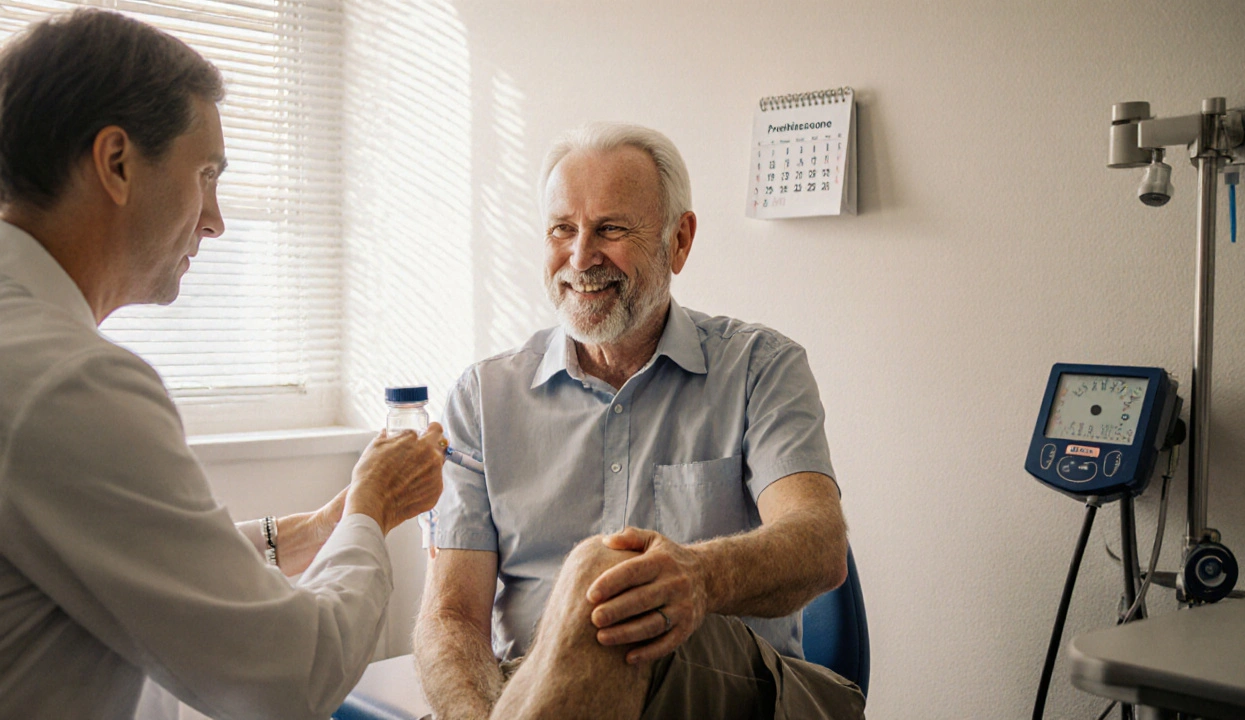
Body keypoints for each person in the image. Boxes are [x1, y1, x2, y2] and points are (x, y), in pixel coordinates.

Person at [0, 10, 446, 719]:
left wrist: (321, 527)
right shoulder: (69, 380)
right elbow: (290, 679)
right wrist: (372, 509)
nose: (215, 220)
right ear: (115, 162)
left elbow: (127, 550)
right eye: (205, 174)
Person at [413, 122, 865, 719]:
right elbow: (450, 615)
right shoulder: (481, 398)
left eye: (611, 229)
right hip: (537, 693)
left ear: (679, 240)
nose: (580, 257)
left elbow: (820, 544)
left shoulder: (762, 367)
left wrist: (698, 577)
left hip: (736, 689)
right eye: (562, 230)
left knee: (613, 585)